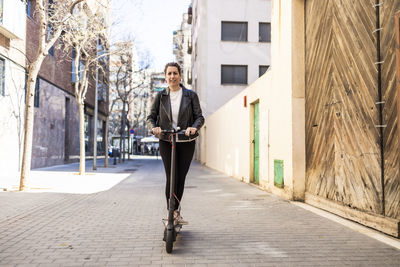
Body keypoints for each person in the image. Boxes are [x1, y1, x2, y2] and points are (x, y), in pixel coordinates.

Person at [147, 62, 204, 225]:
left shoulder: (190, 95)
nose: (172, 76)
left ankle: (176, 210)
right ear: (165, 77)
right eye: (169, 74)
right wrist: (154, 128)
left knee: (181, 177)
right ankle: (171, 212)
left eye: (175, 73)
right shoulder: (161, 96)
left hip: (186, 141)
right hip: (167, 139)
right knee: (171, 176)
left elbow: (199, 117)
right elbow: (150, 117)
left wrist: (193, 128)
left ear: (180, 75)